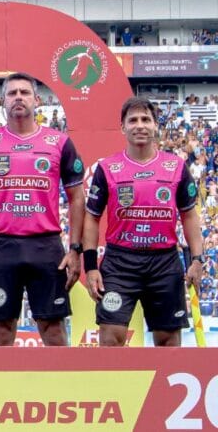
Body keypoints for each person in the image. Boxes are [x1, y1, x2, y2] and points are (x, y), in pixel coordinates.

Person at [0, 73, 85, 346]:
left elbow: (77, 198)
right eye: (12, 93)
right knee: (2, 331)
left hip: (46, 246)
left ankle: (61, 389)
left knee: (53, 331)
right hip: (0, 247)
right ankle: (0, 390)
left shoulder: (60, 142)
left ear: (37, 100)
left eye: (25, 92)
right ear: (2, 102)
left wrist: (75, 249)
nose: (18, 97)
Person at [84, 96, 203, 346]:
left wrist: (197, 260)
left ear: (156, 125)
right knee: (110, 339)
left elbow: (189, 215)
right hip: (119, 264)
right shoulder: (107, 168)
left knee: (168, 342)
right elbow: (92, 217)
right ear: (123, 127)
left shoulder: (176, 166)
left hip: (164, 263)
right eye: (133, 120)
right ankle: (114, 387)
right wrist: (91, 266)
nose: (140, 125)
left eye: (146, 119)